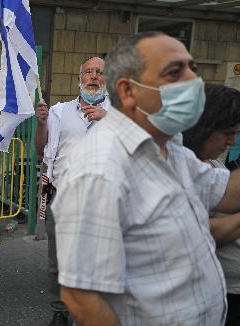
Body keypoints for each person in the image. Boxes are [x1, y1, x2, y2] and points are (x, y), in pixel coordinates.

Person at [52, 31, 240, 325]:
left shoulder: (169, 146)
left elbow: (227, 192)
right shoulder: (100, 170)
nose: (193, 82)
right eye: (175, 72)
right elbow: (82, 297)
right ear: (128, 91)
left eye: (193, 69)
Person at [34, 56, 109, 326]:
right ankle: (61, 311)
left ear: (107, 80)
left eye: (99, 72)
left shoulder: (121, 114)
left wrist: (108, 119)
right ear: (79, 79)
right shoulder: (58, 112)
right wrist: (41, 124)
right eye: (87, 71)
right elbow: (40, 150)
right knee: (59, 262)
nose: (92, 76)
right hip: (63, 198)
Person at [183, 84, 240, 326]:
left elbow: (229, 194)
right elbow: (198, 234)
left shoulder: (212, 163)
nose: (232, 140)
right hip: (210, 294)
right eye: (226, 132)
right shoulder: (177, 166)